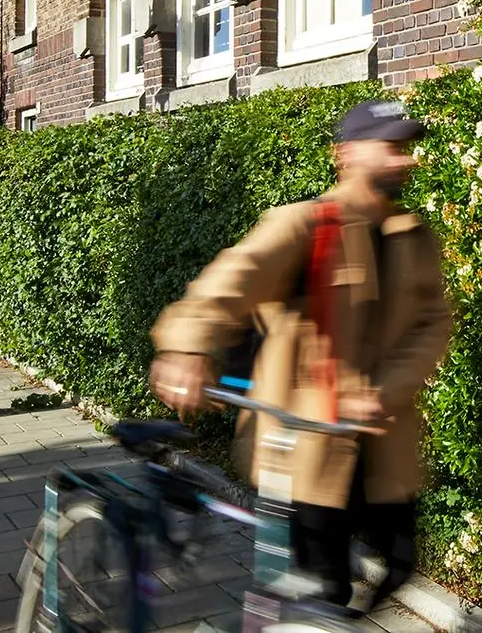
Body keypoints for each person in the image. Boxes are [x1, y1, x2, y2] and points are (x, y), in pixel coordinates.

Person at [148, 98, 452, 612]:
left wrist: (385, 391)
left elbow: (435, 322)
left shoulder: (413, 236)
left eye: (406, 149)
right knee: (321, 594)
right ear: (347, 154)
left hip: (384, 446)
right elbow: (227, 283)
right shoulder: (304, 226)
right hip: (309, 449)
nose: (405, 161)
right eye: (391, 148)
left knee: (398, 565)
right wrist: (186, 348)